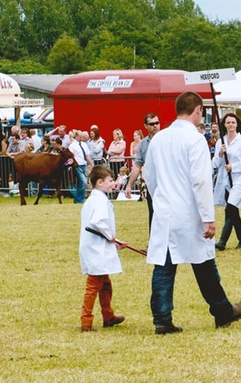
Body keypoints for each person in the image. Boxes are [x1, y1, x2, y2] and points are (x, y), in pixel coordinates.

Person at [144, 91, 241, 335]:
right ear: (198, 110)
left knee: (164, 266)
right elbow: (200, 180)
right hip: (188, 211)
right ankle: (222, 310)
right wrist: (208, 217)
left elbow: (150, 176)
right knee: (204, 263)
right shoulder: (195, 139)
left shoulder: (158, 139)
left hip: (165, 211)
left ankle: (162, 318)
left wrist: (160, 199)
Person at [78, 165, 125, 332]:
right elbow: (98, 222)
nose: (113, 183)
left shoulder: (94, 199)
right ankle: (86, 322)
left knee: (105, 285)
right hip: (96, 249)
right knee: (93, 286)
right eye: (110, 181)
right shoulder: (100, 201)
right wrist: (111, 236)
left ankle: (108, 316)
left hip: (95, 246)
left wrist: (115, 240)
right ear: (100, 182)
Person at [213, 114, 241, 250]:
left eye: (233, 122)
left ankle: (222, 242)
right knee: (234, 212)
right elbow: (215, 163)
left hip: (240, 179)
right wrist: (220, 154)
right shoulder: (220, 141)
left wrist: (235, 166)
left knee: (230, 208)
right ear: (224, 125)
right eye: (228, 122)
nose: (231, 125)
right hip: (226, 180)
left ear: (237, 124)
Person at [123, 114, 160, 230]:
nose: (155, 126)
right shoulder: (143, 144)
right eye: (152, 124)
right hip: (152, 185)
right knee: (153, 213)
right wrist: (129, 185)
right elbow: (137, 165)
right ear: (145, 126)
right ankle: (154, 244)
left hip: (168, 184)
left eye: (157, 123)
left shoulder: (167, 139)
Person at [69, 130, 93, 203]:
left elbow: (87, 155)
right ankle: (79, 199)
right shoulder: (72, 146)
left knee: (81, 183)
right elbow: (70, 156)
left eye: (82, 137)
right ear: (76, 136)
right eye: (80, 137)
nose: (81, 139)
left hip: (83, 165)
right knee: (84, 182)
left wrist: (91, 163)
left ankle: (78, 199)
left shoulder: (84, 144)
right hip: (77, 166)